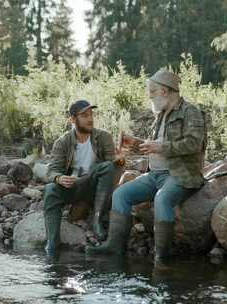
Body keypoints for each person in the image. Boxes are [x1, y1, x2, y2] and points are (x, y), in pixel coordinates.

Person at [86, 70, 207, 266]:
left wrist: (160, 147)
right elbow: (156, 146)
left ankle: (161, 258)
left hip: (181, 175)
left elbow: (194, 143)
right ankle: (114, 248)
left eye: (152, 91)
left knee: (162, 199)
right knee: (121, 195)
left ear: (165, 91)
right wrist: (136, 143)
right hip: (155, 175)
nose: (149, 95)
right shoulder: (160, 114)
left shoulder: (190, 112)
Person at [43, 99, 123, 257]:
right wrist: (59, 178)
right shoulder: (63, 142)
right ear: (73, 120)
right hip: (74, 186)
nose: (90, 119)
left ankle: (97, 220)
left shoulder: (103, 137)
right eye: (84, 115)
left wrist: (120, 160)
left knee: (108, 166)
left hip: (97, 187)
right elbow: (51, 171)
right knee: (50, 189)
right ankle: (52, 242)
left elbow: (112, 167)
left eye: (91, 114)